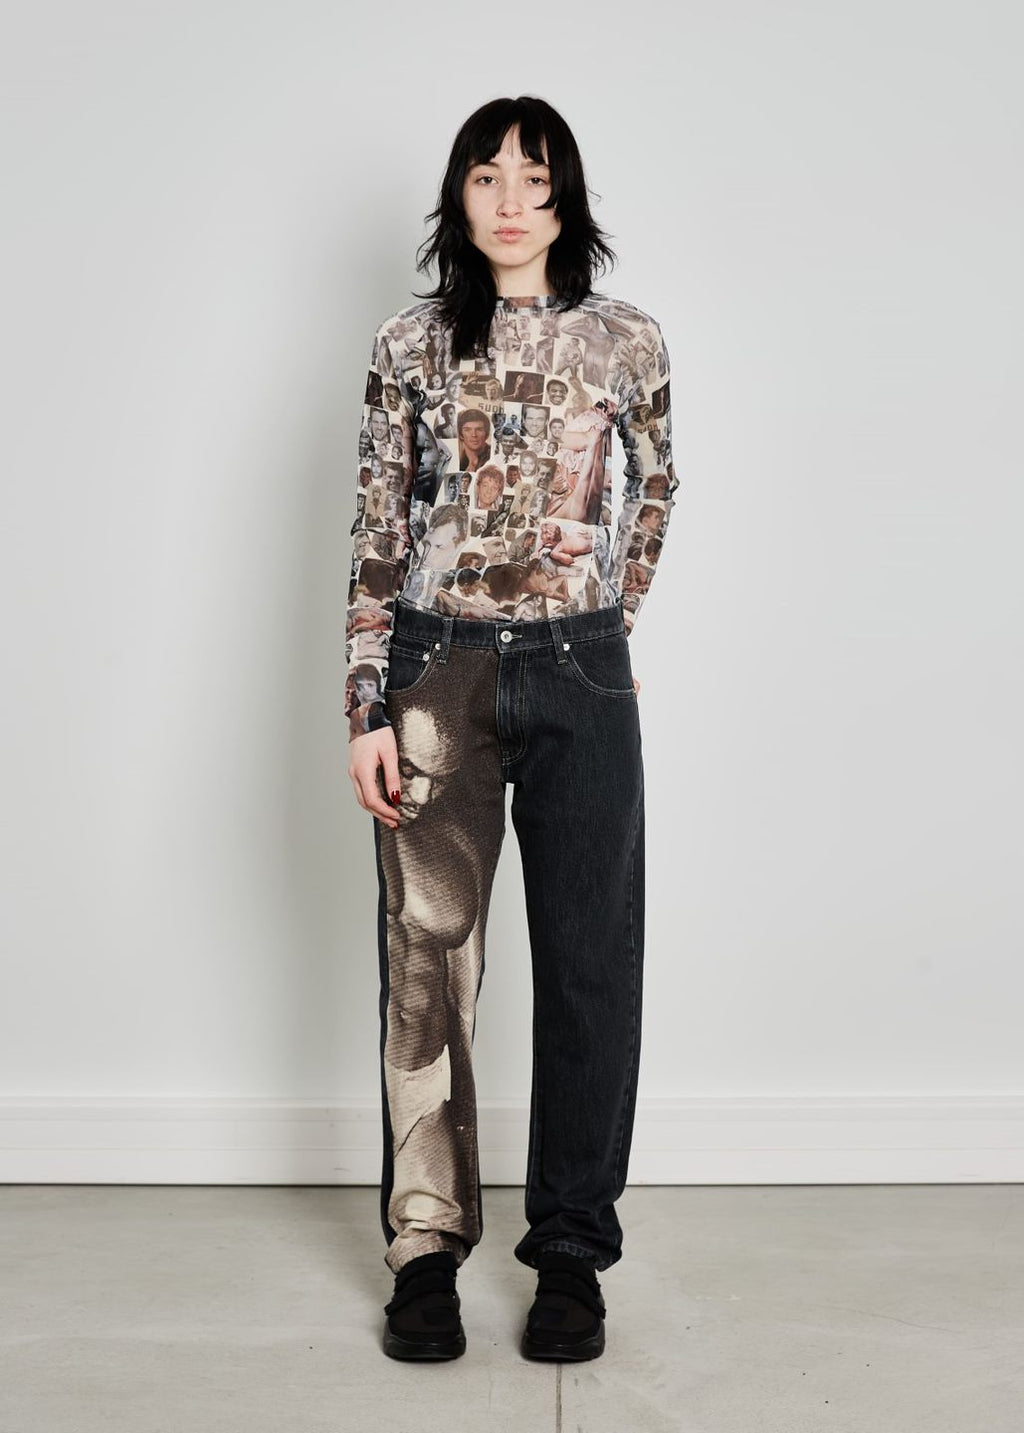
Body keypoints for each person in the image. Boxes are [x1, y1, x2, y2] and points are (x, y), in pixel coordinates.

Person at [345, 94, 677, 1363]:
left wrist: (607, 617)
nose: (509, 200)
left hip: (582, 671)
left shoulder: (626, 339)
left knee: (591, 962)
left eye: (534, 178)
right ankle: (424, 1248)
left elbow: (658, 486)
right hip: (436, 674)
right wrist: (365, 704)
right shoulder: (410, 342)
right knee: (427, 965)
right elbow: (378, 522)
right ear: (458, 194)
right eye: (486, 175)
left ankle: (572, 1254)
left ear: (564, 197)